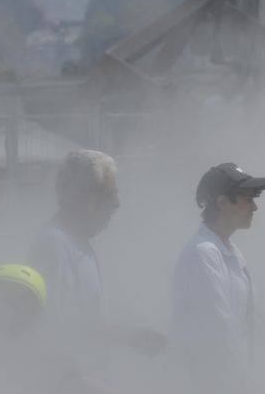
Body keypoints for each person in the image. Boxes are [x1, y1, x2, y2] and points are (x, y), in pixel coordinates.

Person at [29, 150, 166, 366]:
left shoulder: (81, 244)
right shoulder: (54, 243)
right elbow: (56, 330)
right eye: (110, 194)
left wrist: (131, 338)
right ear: (84, 196)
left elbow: (88, 323)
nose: (117, 204)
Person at [171, 162, 265, 394]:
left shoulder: (230, 252)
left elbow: (249, 325)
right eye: (248, 199)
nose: (255, 207)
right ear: (222, 202)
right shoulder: (203, 253)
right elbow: (217, 335)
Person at [0, 264, 119, 394]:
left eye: (13, 300)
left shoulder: (50, 358)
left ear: (33, 311)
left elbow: (84, 384)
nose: (2, 307)